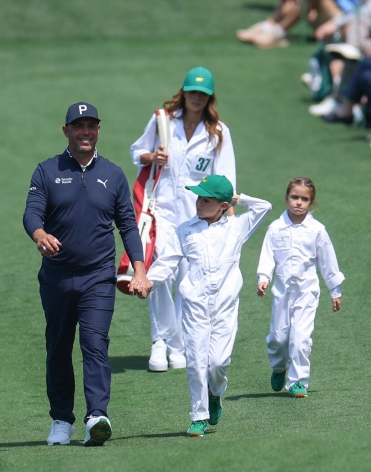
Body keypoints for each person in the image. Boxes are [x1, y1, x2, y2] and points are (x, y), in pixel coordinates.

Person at [23, 102, 151, 447]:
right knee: (59, 348)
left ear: (98, 130)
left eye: (91, 126)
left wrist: (139, 270)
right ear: (66, 131)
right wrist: (39, 235)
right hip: (57, 278)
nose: (85, 132)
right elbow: (31, 213)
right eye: (78, 126)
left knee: (95, 344)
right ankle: (61, 421)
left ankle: (97, 416)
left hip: (98, 278)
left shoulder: (113, 174)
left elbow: (128, 224)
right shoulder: (47, 171)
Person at [129, 67, 237, 372]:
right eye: (192, 92)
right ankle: (161, 342)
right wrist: (152, 157)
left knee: (189, 280)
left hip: (198, 216)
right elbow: (136, 151)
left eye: (202, 94)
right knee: (159, 273)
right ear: (184, 92)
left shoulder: (218, 132)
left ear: (209, 98)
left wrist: (227, 219)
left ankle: (177, 344)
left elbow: (227, 178)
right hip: (160, 210)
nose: (196, 98)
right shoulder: (163, 120)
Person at [147, 175, 272, 437]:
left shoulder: (238, 227)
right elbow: (167, 262)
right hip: (194, 306)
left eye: (206, 199)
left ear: (223, 205)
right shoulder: (184, 230)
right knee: (195, 362)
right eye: (198, 198)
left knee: (218, 362)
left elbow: (265, 207)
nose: (199, 203)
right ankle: (198, 416)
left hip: (225, 306)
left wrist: (239, 198)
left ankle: (215, 392)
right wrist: (147, 282)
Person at [256, 177, 344, 398]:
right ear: (286, 198)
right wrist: (263, 277)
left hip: (307, 292)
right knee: (278, 338)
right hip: (282, 291)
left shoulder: (317, 230)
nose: (298, 203)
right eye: (295, 197)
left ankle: (298, 381)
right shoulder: (276, 228)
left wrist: (335, 291)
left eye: (304, 199)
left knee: (300, 337)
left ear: (311, 203)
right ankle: (279, 367)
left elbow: (328, 262)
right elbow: (267, 256)